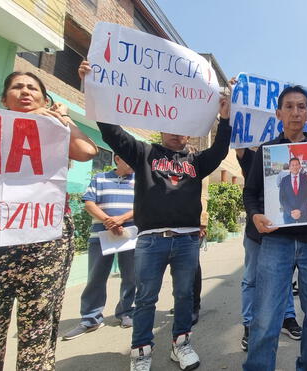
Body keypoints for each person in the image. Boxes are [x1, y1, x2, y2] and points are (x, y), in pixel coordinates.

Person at [79, 61, 231, 371]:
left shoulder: (197, 161)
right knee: (145, 299)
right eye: (173, 128)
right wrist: (91, 87)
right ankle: (141, 351)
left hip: (187, 241)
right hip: (150, 242)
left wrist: (225, 118)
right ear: (161, 128)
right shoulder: (143, 153)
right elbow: (111, 131)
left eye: (185, 130)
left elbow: (220, 148)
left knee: (185, 296)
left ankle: (181, 344)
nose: (179, 135)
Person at [0, 71, 97, 370]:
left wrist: (60, 120)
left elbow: (87, 150)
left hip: (45, 238)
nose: (25, 92)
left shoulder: (55, 127)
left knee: (38, 319)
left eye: (32, 88)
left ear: (44, 98)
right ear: (4, 98)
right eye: (17, 87)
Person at [243, 86, 307, 371]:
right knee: (265, 315)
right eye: (289, 106)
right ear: (278, 113)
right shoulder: (267, 152)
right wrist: (255, 215)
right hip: (277, 241)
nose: (295, 112)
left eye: (301, 107)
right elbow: (250, 194)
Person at [63, 155, 136, 340]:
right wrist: (108, 221)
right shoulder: (100, 178)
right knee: (96, 277)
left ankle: (127, 312)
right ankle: (91, 318)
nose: (134, 163)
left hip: (129, 236)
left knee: (131, 276)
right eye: (130, 158)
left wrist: (121, 219)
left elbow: (143, 205)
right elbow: (89, 203)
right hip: (101, 235)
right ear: (118, 159)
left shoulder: (139, 180)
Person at [236, 147, 302, 352]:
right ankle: (249, 324)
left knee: (284, 278)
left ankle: (287, 317)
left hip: (283, 229)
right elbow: (238, 143)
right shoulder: (250, 154)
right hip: (256, 232)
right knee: (251, 279)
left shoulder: (283, 152)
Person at [279, 157, 307, 224]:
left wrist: (300, 211)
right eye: (292, 165)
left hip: (304, 215)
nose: (295, 167)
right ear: (289, 167)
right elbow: (282, 198)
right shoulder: (284, 180)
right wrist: (291, 211)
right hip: (289, 216)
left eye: (296, 165)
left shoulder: (306, 178)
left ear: (300, 166)